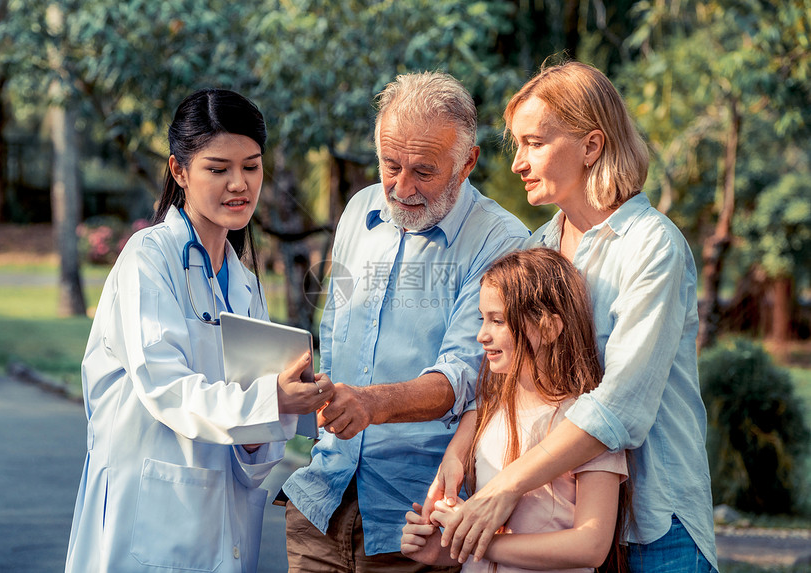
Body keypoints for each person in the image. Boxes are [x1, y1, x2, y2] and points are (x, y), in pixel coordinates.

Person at [423, 61, 719, 572]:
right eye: (517, 144)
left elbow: (619, 408)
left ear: (591, 146)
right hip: (563, 525)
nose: (518, 162)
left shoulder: (653, 247)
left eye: (534, 142)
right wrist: (459, 453)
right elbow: (507, 374)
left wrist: (505, 486)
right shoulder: (539, 249)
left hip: (655, 524)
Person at [64, 88, 334, 573]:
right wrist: (269, 399)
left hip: (224, 523)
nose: (239, 184)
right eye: (218, 168)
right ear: (179, 171)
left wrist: (267, 423)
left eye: (251, 166)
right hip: (146, 516)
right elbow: (167, 388)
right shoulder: (148, 259)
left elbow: (254, 437)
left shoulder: (246, 283)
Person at [281, 71, 531, 572]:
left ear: (467, 164)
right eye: (390, 165)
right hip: (322, 499)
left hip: (419, 519)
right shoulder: (359, 211)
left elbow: (469, 375)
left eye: (423, 171)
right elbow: (335, 331)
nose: (400, 187)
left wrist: (371, 404)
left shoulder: (501, 242)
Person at [401, 248, 629, 572]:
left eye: (498, 320)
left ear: (549, 328)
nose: (482, 335)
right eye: (483, 319)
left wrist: (477, 540)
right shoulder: (488, 414)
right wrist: (442, 547)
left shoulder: (584, 425)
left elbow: (591, 545)